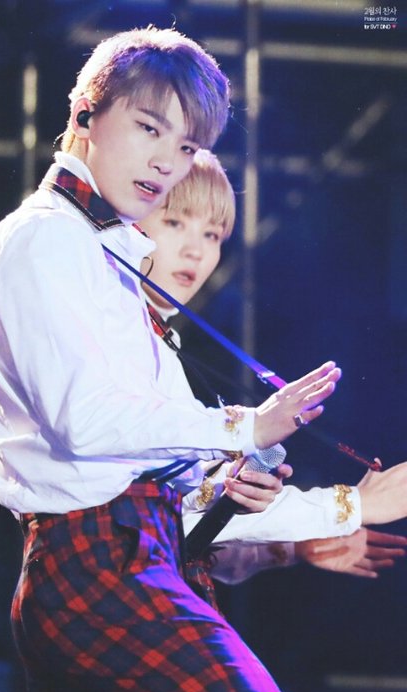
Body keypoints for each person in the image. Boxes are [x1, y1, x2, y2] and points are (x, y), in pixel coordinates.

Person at [0, 26, 346, 692]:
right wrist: (246, 428)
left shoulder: (104, 253)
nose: (167, 161)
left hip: (135, 562)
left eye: (186, 146)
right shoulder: (48, 239)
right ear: (86, 111)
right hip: (98, 571)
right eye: (149, 128)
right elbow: (85, 424)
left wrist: (259, 496)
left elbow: (161, 479)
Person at [138, 148, 407, 588]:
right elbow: (149, 517)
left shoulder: (158, 338)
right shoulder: (119, 335)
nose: (195, 250)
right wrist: (354, 505)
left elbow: (183, 525)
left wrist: (287, 539)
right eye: (174, 223)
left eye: (212, 234)